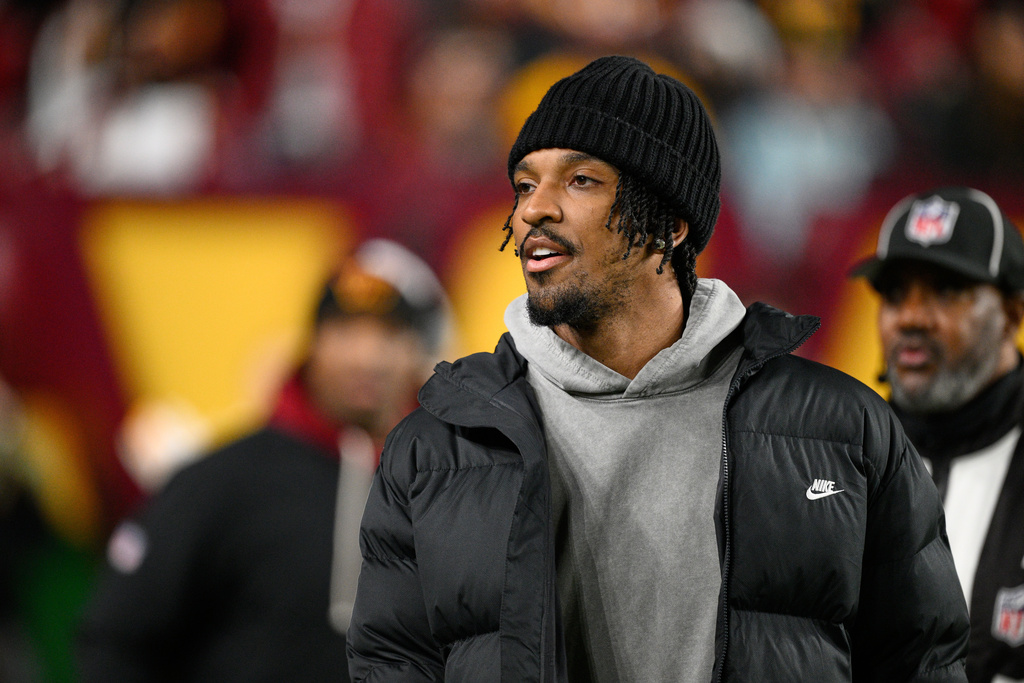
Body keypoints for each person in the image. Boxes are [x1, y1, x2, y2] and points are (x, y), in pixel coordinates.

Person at [347, 55, 969, 682]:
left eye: (580, 180)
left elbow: (922, 659)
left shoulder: (844, 429)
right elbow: (392, 664)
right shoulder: (432, 450)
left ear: (669, 225)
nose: (534, 210)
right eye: (526, 184)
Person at [76, 239, 451, 682]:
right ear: (311, 345)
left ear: (418, 355)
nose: (365, 357)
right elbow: (116, 638)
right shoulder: (223, 480)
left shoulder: (450, 491)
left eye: (389, 335)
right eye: (346, 332)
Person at [853, 186, 1024, 683]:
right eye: (895, 293)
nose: (911, 317)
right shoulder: (839, 460)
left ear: (1012, 313)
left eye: (946, 291)